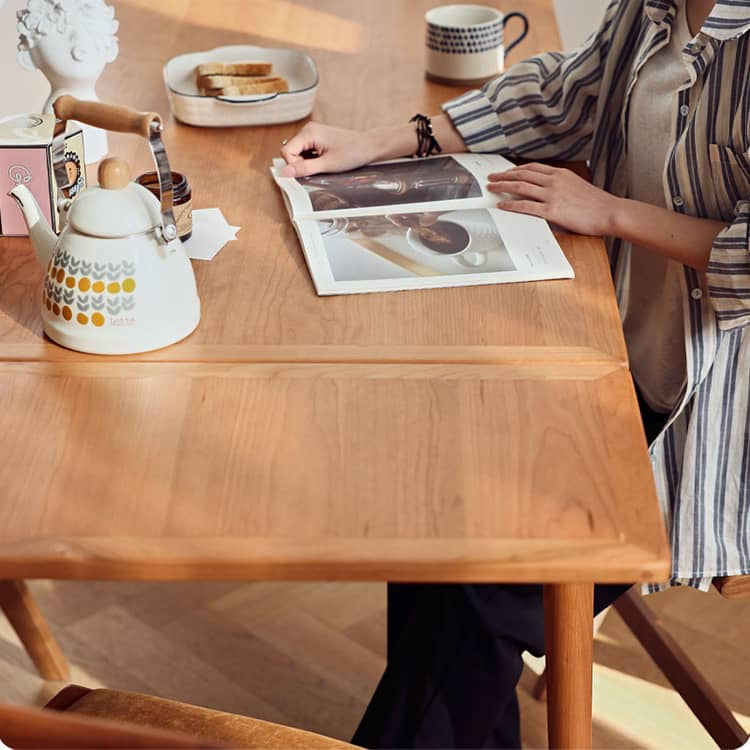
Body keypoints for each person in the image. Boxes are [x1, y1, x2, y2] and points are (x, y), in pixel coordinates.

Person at [281, 0, 750, 747]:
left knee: (479, 587)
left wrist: (612, 213)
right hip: (606, 357)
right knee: (436, 516)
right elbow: (569, 91)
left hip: (709, 418)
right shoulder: (657, 7)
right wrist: (379, 141)